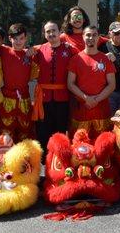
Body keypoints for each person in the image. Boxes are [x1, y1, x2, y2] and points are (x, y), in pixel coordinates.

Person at [31, 21, 78, 151]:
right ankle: (45, 161)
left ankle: (59, 158)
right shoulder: (38, 50)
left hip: (63, 98)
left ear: (59, 32)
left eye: (54, 31)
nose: (51, 34)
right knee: (43, 130)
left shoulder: (70, 49)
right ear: (44, 34)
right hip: (43, 98)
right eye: (48, 31)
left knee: (60, 129)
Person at [67, 26, 116, 138]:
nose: (91, 37)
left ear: (98, 38)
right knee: (81, 147)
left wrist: (96, 99)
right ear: (83, 37)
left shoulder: (105, 59)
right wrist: (86, 98)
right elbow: (70, 83)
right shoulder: (76, 59)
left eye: (94, 35)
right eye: (88, 35)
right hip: (81, 109)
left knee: (102, 146)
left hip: (102, 109)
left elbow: (112, 84)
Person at [0, 23, 36, 142]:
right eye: (15, 38)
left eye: (21, 38)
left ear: (26, 38)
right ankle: (7, 157)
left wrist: (33, 48)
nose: (18, 42)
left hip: (24, 98)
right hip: (7, 98)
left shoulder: (31, 54)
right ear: (10, 38)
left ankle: (24, 158)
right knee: (6, 130)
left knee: (25, 129)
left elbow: (48, 45)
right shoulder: (3, 50)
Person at [99, 21, 120, 115]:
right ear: (109, 33)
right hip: (109, 91)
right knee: (110, 120)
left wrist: (115, 61)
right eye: (116, 33)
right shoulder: (102, 47)